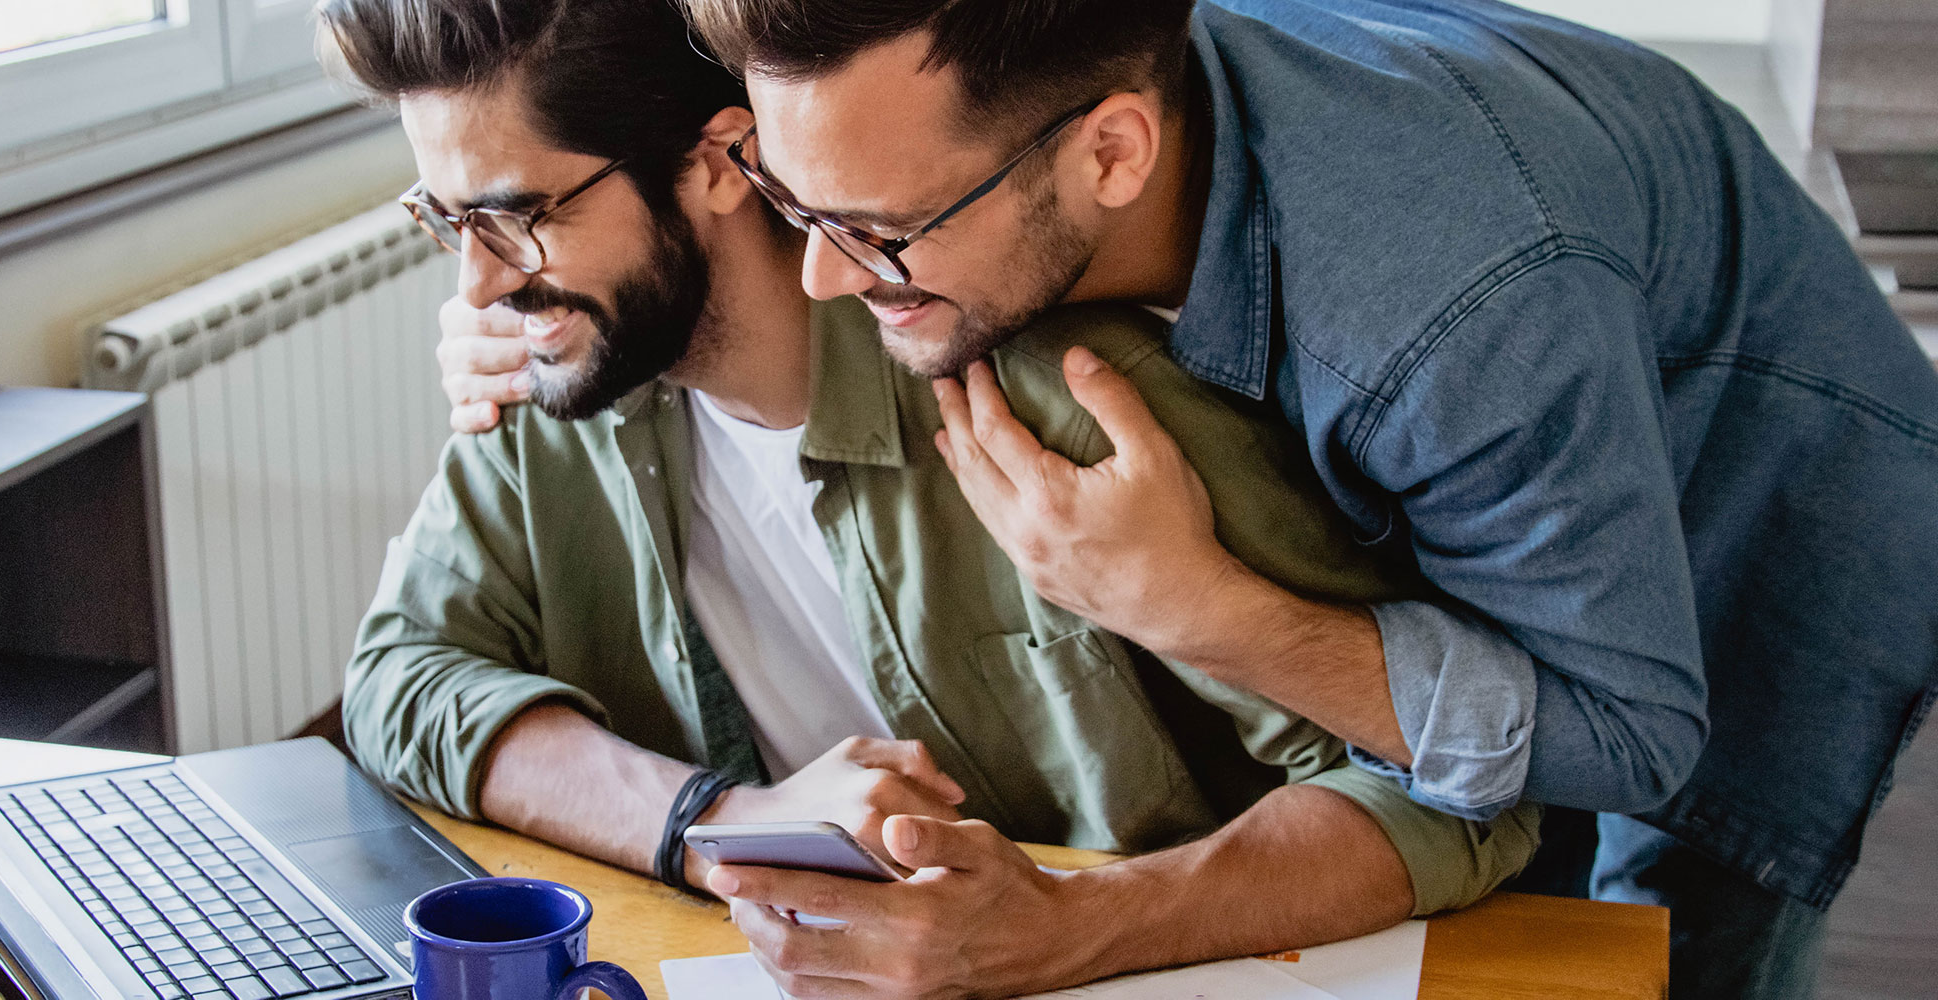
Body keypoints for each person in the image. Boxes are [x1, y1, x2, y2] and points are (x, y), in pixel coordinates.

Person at [470, 0, 1938, 997]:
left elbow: (1624, 731)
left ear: (1113, 152)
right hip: (1520, 343)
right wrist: (530, 290)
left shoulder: (1455, 311)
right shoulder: (1054, 82)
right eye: (799, 207)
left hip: (1769, 479)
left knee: (1643, 945)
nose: (825, 282)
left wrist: (1206, 612)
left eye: (881, 231)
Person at [315, 0, 1539, 995]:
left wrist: (1074, 924)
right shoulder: (558, 388)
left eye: (518, 216)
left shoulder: (1069, 401)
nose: (477, 282)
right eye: (448, 218)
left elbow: (1450, 797)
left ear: (725, 163)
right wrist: (713, 817)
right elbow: (402, 676)